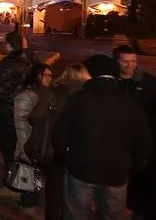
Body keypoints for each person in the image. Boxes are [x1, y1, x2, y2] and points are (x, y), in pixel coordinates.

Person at [53, 54, 153, 220]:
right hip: (116, 172)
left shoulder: (78, 100)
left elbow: (60, 135)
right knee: (113, 215)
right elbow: (144, 145)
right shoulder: (129, 104)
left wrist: (65, 158)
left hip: (81, 169)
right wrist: (129, 165)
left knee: (75, 214)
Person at [32, 63, 90, 220]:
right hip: (80, 148)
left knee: (54, 190)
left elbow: (35, 116)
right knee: (78, 192)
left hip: (54, 147)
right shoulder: (90, 94)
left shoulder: (53, 92)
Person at [0, 32, 38, 198]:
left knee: (11, 149)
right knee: (27, 150)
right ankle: (28, 188)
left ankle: (14, 186)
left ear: (9, 45)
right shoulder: (33, 60)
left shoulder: (8, 63)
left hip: (11, 113)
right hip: (30, 111)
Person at [113, 45, 156, 220]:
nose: (130, 65)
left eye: (133, 61)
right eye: (125, 62)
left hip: (140, 141)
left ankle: (138, 209)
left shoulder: (149, 83)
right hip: (116, 140)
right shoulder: (111, 83)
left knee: (141, 179)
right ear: (116, 62)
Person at [13, 63, 53, 218]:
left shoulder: (45, 93)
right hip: (30, 141)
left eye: (51, 75)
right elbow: (21, 123)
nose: (49, 78)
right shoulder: (27, 95)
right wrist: (25, 145)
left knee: (36, 175)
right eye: (46, 75)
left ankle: (30, 202)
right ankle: (27, 206)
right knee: (29, 173)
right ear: (37, 76)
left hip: (40, 140)